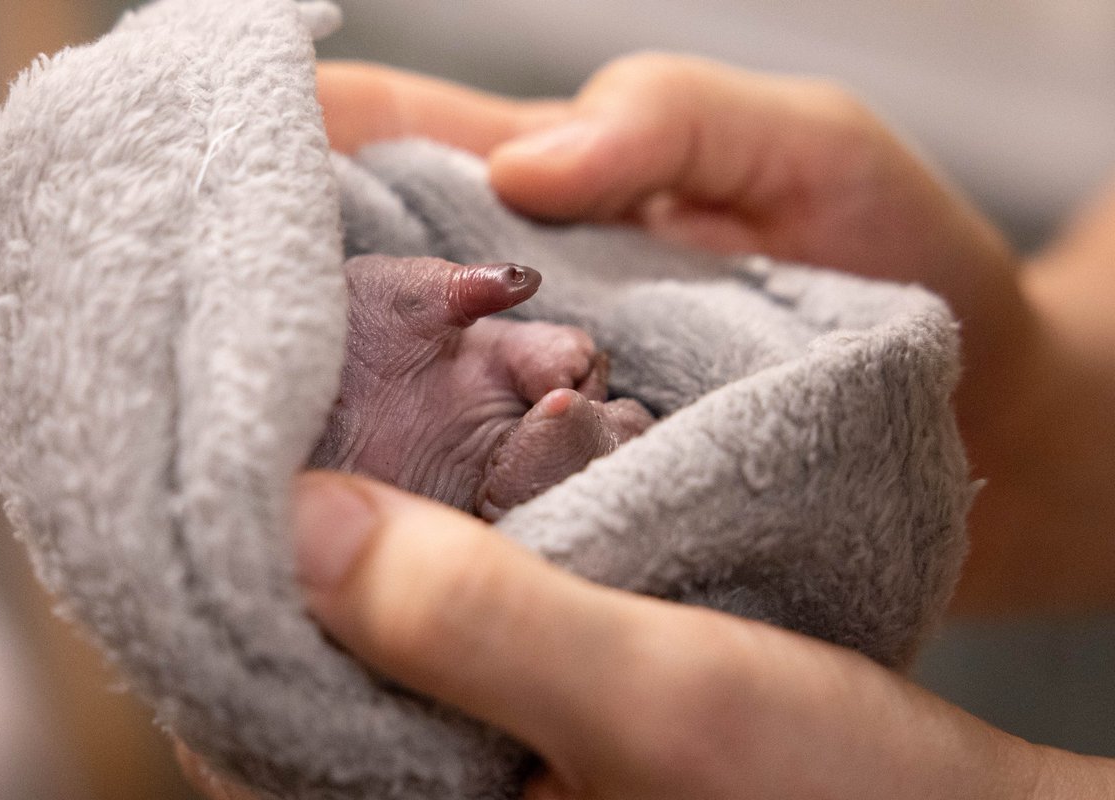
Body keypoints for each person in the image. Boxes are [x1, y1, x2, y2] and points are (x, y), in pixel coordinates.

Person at [178, 55, 1115, 798]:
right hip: (432, 448)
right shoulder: (332, 319)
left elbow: (511, 348)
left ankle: (557, 439)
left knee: (563, 419)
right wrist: (1025, 401)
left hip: (482, 466)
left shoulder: (490, 358)